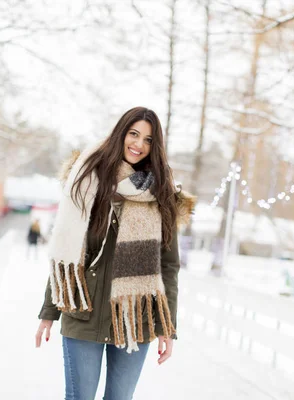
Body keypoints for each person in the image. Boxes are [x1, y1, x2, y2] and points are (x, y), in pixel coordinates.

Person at [35, 107, 195, 400]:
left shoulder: (162, 195)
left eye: (148, 139)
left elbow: (169, 268)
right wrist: (49, 311)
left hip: (135, 320)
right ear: (121, 133)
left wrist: (166, 328)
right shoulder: (87, 181)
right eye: (133, 134)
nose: (138, 144)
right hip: (84, 313)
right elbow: (67, 249)